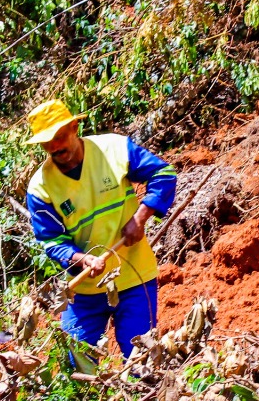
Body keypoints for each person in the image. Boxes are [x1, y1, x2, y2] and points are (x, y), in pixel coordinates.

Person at [24, 99, 177, 362]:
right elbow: (51, 240)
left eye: (59, 137)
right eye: (47, 143)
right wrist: (80, 259)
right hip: (86, 289)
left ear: (74, 127)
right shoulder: (40, 187)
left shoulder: (113, 149)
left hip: (134, 277)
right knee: (76, 362)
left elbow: (163, 174)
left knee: (141, 359)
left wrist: (140, 217)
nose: (55, 147)